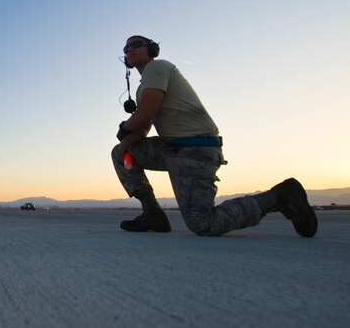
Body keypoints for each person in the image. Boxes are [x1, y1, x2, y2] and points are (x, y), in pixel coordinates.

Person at [111, 35, 317, 237]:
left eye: (136, 44)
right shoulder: (143, 87)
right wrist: (128, 140)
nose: (129, 49)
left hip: (195, 150)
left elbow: (144, 113)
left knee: (203, 224)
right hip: (171, 148)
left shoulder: (158, 67)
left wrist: (125, 127)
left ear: (152, 50)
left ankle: (278, 197)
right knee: (121, 153)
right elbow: (145, 124)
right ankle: (152, 214)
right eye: (126, 48)